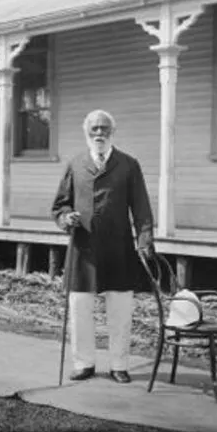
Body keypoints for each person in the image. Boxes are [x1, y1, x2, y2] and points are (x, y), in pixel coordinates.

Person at [51, 109, 154, 384]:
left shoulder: (129, 165)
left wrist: (145, 241)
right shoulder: (75, 164)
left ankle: (119, 364)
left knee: (120, 310)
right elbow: (60, 205)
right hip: (83, 249)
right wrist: (65, 218)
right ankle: (84, 363)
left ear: (112, 133)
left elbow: (142, 208)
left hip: (119, 249)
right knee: (80, 308)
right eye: (94, 129)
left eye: (104, 129)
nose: (99, 134)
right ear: (86, 132)